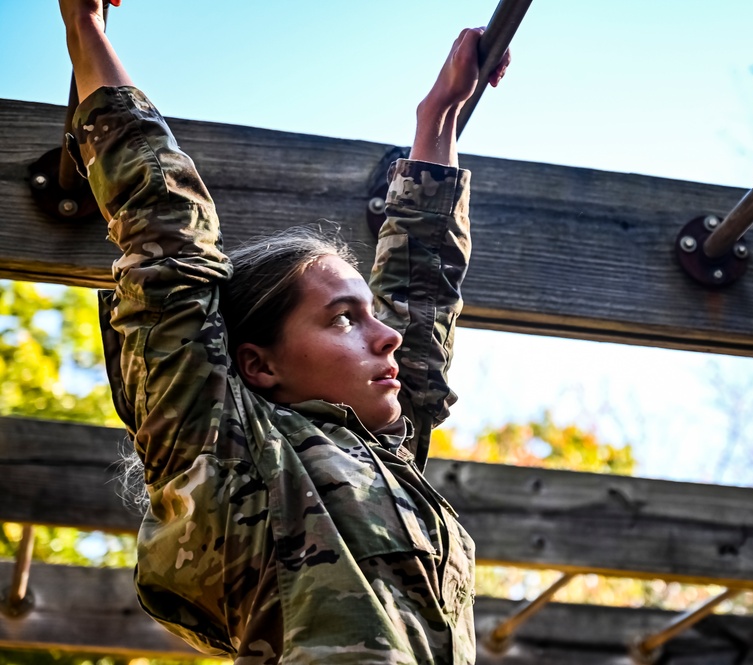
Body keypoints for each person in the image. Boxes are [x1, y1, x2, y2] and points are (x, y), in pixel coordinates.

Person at [58, 1, 510, 662]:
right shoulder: (229, 450)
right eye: (344, 318)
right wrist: (83, 26)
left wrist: (437, 115)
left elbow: (419, 297)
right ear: (258, 364)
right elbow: (166, 228)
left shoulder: (384, 458)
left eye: (371, 316)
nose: (385, 338)